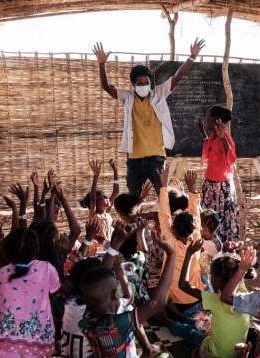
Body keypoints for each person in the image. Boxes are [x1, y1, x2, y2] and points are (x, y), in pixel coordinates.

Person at [92, 39, 205, 196]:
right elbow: (106, 86)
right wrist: (102, 64)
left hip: (157, 159)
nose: (143, 85)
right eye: (140, 83)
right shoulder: (128, 97)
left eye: (146, 82)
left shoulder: (158, 93)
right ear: (134, 85)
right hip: (134, 160)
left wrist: (191, 57)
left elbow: (177, 77)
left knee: (164, 198)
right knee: (133, 201)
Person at [78, 227, 177, 358]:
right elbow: (157, 302)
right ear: (115, 294)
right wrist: (171, 254)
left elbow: (99, 281)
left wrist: (118, 268)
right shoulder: (117, 325)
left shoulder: (85, 321)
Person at [160, 239, 254, 358]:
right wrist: (233, 252)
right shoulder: (244, 294)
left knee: (190, 331)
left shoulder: (217, 299)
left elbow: (183, 285)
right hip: (235, 354)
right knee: (203, 323)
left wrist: (189, 254)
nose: (210, 278)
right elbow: (236, 277)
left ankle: (164, 320)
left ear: (219, 280)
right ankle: (179, 316)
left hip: (212, 353)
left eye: (211, 275)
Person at [0, 227, 61, 358]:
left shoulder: (3, 273)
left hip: (4, 345)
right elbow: (59, 290)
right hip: (35, 345)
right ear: (37, 250)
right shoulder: (46, 269)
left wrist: (3, 326)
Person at [157, 167, 205, 314]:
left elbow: (164, 216)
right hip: (196, 301)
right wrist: (192, 188)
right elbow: (195, 214)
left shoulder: (170, 243)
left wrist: (163, 186)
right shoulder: (197, 240)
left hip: (173, 302)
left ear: (174, 230)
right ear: (194, 227)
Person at [197, 105, 239, 245]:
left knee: (223, 220)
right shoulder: (213, 137)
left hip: (222, 189)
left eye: (207, 117)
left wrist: (223, 140)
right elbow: (207, 152)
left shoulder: (225, 138)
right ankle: (210, 247)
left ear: (215, 120)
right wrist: (202, 132)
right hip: (210, 186)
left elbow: (231, 160)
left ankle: (224, 248)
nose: (205, 119)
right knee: (209, 218)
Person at [81, 159, 120, 243]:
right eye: (103, 198)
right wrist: (96, 176)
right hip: (98, 250)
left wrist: (115, 171)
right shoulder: (94, 216)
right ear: (97, 203)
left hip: (109, 247)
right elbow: (92, 199)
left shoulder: (107, 212)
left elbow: (116, 192)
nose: (107, 198)